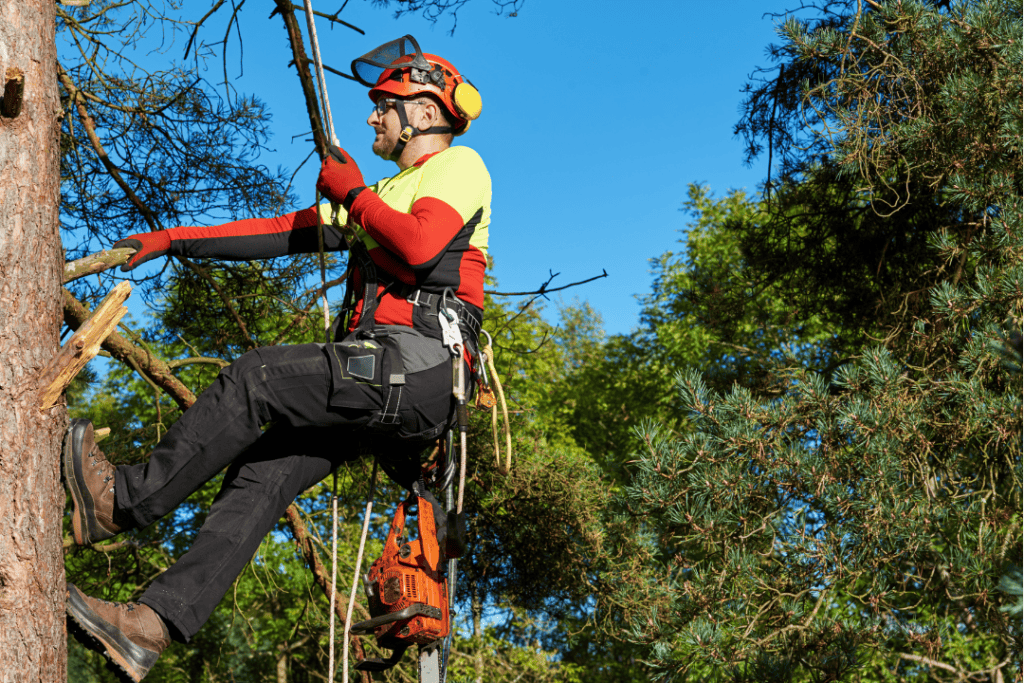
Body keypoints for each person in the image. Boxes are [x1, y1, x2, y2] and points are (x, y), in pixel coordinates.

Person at [63, 36, 490, 682]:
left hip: (418, 368)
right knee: (263, 474)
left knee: (256, 377)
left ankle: (118, 502)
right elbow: (282, 232)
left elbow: (422, 246)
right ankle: (151, 626)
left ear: (425, 114)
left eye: (385, 105)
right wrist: (175, 239)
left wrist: (352, 193)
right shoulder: (387, 189)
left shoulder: (457, 168)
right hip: (386, 376)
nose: (373, 116)